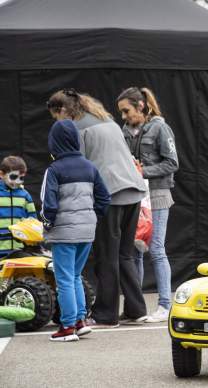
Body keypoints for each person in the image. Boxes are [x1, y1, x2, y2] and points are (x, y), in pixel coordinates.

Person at [47, 89, 149, 328]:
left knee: (106, 256)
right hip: (133, 191)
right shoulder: (108, 121)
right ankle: (136, 309)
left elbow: (75, 167)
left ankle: (106, 314)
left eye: (55, 117)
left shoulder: (78, 129)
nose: (57, 123)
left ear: (62, 110)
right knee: (125, 254)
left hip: (110, 195)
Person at [40, 120, 111, 341]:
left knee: (64, 279)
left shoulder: (54, 169)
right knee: (75, 276)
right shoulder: (90, 166)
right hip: (87, 229)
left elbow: (48, 203)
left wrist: (46, 223)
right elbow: (104, 198)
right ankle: (80, 321)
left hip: (63, 232)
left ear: (55, 143)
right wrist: (91, 217)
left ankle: (68, 326)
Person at [117, 87, 179, 323]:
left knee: (156, 249)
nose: (123, 116)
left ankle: (165, 305)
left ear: (140, 106)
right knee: (134, 251)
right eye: (121, 112)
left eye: (126, 111)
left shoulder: (160, 127)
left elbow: (173, 162)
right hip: (135, 196)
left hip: (158, 194)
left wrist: (144, 170)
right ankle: (136, 306)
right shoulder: (125, 130)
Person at [0, 156, 37, 257]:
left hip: (19, 250)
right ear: (2, 174)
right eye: (13, 177)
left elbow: (32, 221)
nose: (17, 181)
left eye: (21, 178)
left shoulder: (25, 195)